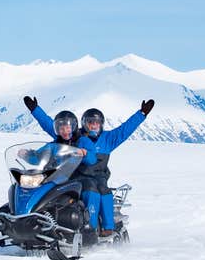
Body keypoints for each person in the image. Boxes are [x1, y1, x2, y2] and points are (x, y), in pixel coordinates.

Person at [24, 96, 154, 237]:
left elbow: (125, 130)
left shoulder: (108, 139)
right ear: (83, 123)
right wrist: (35, 110)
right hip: (77, 174)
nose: (93, 126)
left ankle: (103, 227)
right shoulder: (77, 136)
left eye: (97, 123)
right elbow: (52, 125)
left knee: (101, 189)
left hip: (99, 176)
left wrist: (141, 114)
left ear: (101, 124)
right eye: (90, 122)